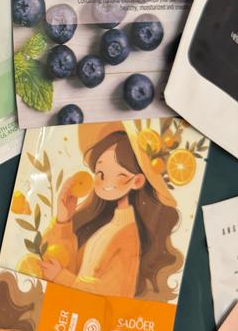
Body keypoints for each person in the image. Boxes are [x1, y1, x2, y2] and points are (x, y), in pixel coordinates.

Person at [39, 121, 182, 300]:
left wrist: (62, 277)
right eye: (100, 173)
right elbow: (59, 263)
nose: (104, 182)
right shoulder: (103, 225)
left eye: (118, 174)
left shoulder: (129, 236)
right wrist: (63, 221)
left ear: (137, 181)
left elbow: (112, 294)